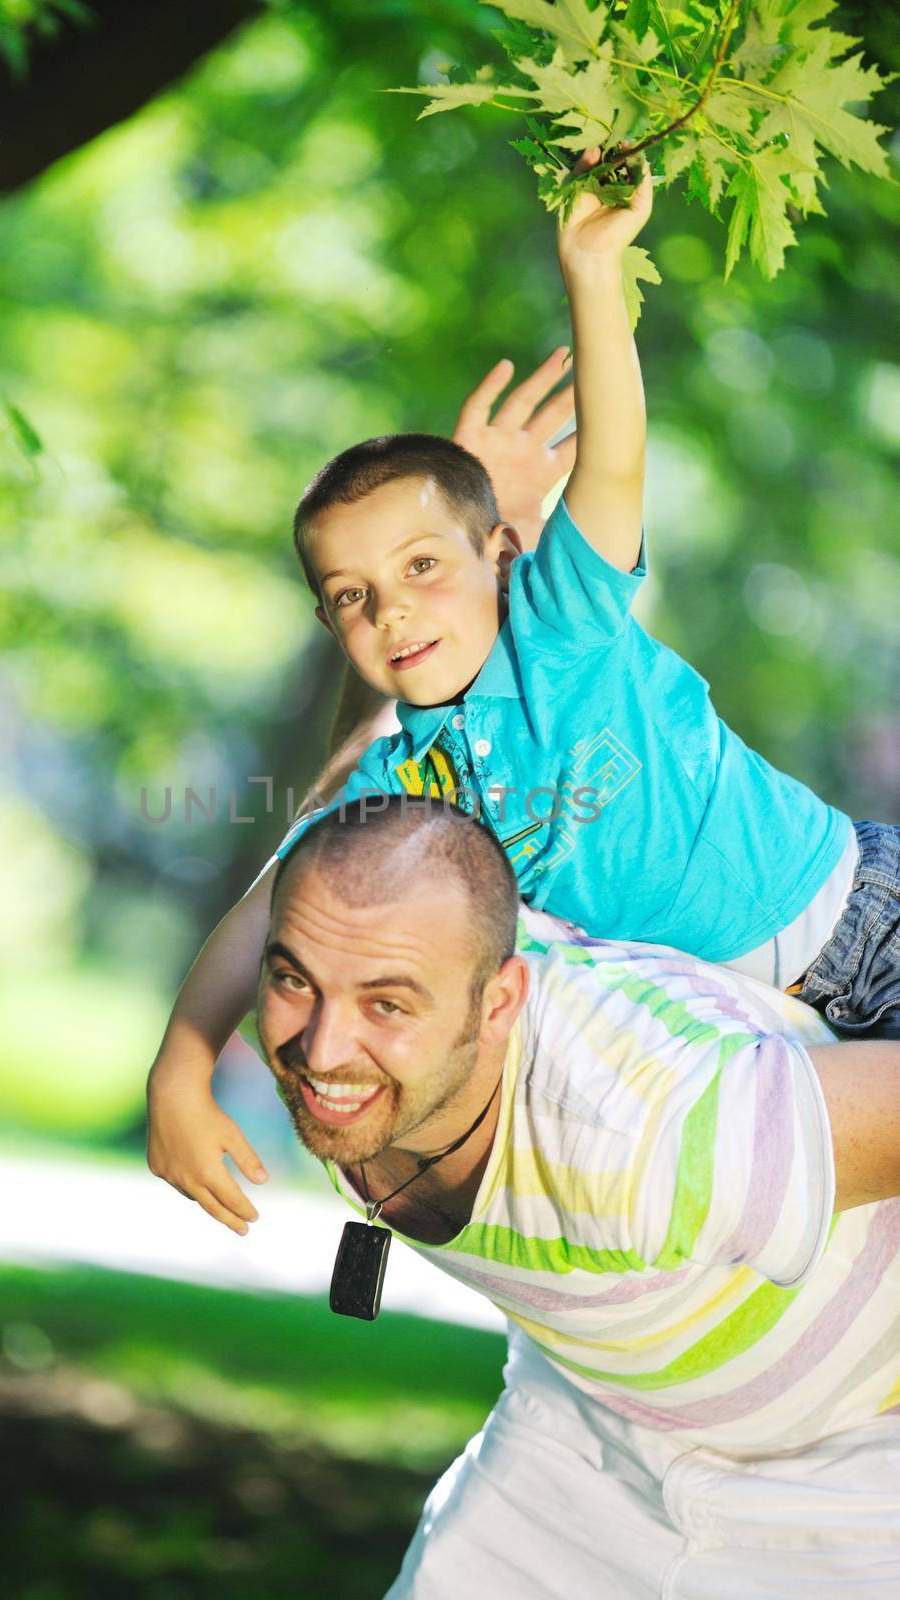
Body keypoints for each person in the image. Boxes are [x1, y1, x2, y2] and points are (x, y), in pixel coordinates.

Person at [146, 150, 899, 1234]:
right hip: (759, 1034)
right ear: (329, 624)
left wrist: (592, 268)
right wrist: (179, 1065)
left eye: (421, 568)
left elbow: (616, 469)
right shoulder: (405, 781)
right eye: (352, 595)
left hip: (860, 920)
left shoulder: (560, 627)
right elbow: (275, 898)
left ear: (499, 552)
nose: (392, 612)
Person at [256, 802, 900, 1599]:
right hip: (587, 1430)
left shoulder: (656, 1125)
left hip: (860, 1480)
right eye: (292, 980)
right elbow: (309, 844)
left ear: (498, 1003)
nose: (320, 1049)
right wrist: (181, 1063)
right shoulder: (336, 972)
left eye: (386, 1005)